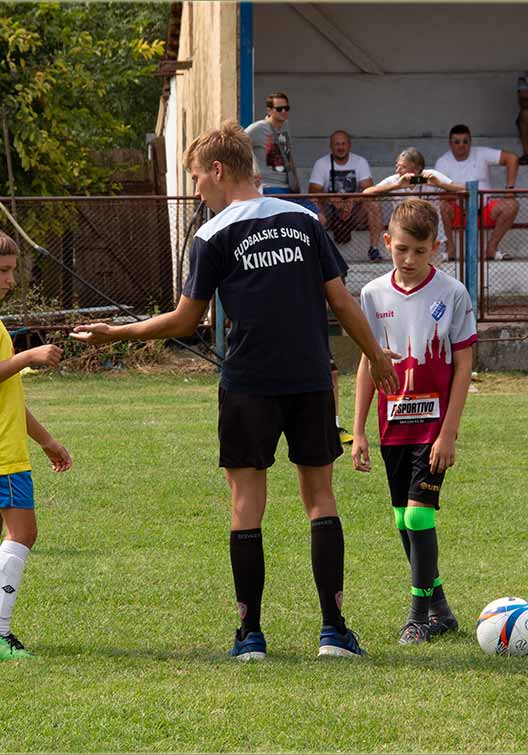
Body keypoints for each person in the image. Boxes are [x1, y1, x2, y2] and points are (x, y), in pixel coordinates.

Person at [72, 119, 399, 660]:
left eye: (198, 178)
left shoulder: (212, 234)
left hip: (248, 384)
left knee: (247, 503)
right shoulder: (303, 218)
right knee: (320, 497)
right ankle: (334, 633)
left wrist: (118, 331)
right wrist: (375, 354)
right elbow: (342, 301)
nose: (197, 190)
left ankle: (250, 638)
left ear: (219, 171)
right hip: (312, 380)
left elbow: (183, 321)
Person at [351, 198, 476, 645]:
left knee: (421, 518)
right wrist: (359, 429)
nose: (408, 260)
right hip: (392, 426)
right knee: (403, 520)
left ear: (435, 248)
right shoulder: (372, 295)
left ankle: (418, 617)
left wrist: (449, 433)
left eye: (419, 252)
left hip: (432, 429)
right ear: (387, 242)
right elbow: (368, 363)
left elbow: (464, 366)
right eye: (401, 249)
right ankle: (440, 608)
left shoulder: (453, 294)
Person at [0, 226, 73, 661]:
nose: (10, 279)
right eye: (3, 270)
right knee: (23, 532)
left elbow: (5, 396)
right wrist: (28, 356)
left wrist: (46, 441)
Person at [361, 147, 464, 261]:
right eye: (397, 166)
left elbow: (464, 190)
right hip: (403, 236)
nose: (398, 170)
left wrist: (440, 184)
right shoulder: (395, 180)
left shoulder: (430, 175)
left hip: (431, 235)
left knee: (430, 273)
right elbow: (366, 192)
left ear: (417, 169)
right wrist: (397, 186)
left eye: (403, 167)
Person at [434, 125, 520, 261]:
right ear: (450, 144)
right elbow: (441, 195)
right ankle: (450, 248)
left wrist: (510, 189)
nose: (461, 145)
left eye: (465, 141)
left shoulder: (481, 153)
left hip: (485, 211)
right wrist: (464, 193)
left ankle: (491, 248)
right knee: (443, 205)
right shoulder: (442, 162)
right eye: (456, 142)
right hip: (459, 213)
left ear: (470, 142)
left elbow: (512, 159)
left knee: (512, 205)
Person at [308, 130, 384, 261]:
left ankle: (374, 249)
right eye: (337, 144)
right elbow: (313, 190)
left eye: (344, 143)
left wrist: (352, 201)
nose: (340, 147)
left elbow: (369, 189)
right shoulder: (322, 163)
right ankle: (317, 252)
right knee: (313, 201)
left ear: (349, 145)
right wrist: (332, 200)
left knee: (373, 203)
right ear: (331, 146)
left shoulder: (360, 162)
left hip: (355, 213)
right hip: (330, 213)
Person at [245, 91, 313, 211]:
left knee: (317, 217)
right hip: (268, 186)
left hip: (289, 187)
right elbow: (239, 143)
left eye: (286, 108)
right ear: (269, 111)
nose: (284, 112)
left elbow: (288, 155)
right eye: (279, 109)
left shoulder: (285, 126)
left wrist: (296, 183)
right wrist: (253, 168)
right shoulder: (258, 128)